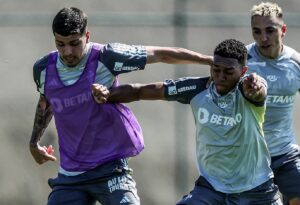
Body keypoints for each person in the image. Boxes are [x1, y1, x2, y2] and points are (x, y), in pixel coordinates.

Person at [29, 7, 213, 205]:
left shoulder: (107, 57)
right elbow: (46, 102)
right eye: (60, 44)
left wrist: (209, 61)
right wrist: (34, 142)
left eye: (74, 43)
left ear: (87, 36)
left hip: (110, 169)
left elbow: (160, 54)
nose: (68, 52)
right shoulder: (43, 70)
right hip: (70, 175)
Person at [93, 39, 282, 205]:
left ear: (243, 71)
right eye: (216, 69)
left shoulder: (247, 92)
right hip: (212, 189)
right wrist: (107, 94)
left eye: (229, 72)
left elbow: (259, 90)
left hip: (256, 189)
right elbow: (141, 91)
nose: (221, 76)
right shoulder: (198, 89)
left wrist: (257, 86)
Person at [247, 2, 300, 204]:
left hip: (285, 153)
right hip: (249, 156)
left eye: (270, 30)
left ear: (283, 30)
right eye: (257, 32)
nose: (263, 38)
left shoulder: (295, 63)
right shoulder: (242, 61)